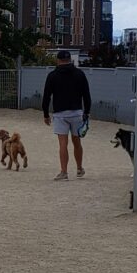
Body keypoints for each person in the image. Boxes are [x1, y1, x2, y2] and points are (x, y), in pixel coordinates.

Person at [42, 50, 92, 181]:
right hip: (76, 112)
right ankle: (80, 168)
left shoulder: (52, 75)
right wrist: (87, 112)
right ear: (70, 59)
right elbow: (86, 95)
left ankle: (64, 172)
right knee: (77, 142)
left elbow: (46, 96)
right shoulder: (79, 74)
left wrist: (46, 114)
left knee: (63, 144)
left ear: (58, 60)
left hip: (60, 113)